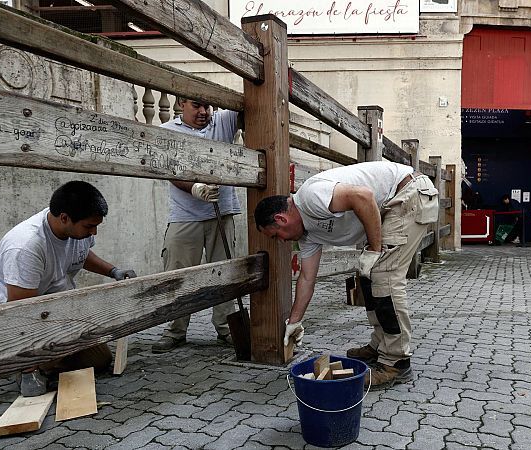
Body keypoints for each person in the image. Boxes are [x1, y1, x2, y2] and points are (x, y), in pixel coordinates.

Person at [254, 161, 439, 389]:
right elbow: (306, 278)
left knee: (384, 277)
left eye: (276, 236)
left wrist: (374, 248)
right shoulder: (307, 235)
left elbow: (363, 196)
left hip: (408, 192)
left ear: (281, 220)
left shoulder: (310, 198)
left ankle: (396, 362)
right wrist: (295, 322)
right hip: (392, 203)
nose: (281, 241)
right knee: (367, 275)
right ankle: (380, 344)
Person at [0, 181, 137, 397]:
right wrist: (29, 370)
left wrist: (113, 271)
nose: (94, 232)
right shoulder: (26, 246)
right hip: (4, 323)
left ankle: (45, 361)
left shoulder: (75, 231)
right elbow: (21, 312)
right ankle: (21, 364)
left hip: (47, 312)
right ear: (64, 218)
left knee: (99, 359)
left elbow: (82, 254)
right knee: (58, 351)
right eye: (89, 226)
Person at [152, 98, 242, 353]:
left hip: (220, 214)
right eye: (196, 106)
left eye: (208, 106)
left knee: (223, 273)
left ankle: (226, 329)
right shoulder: (169, 131)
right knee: (177, 273)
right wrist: (194, 187)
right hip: (184, 214)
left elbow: (246, 103)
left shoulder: (223, 122)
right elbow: (168, 169)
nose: (203, 112)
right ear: (181, 104)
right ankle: (175, 330)